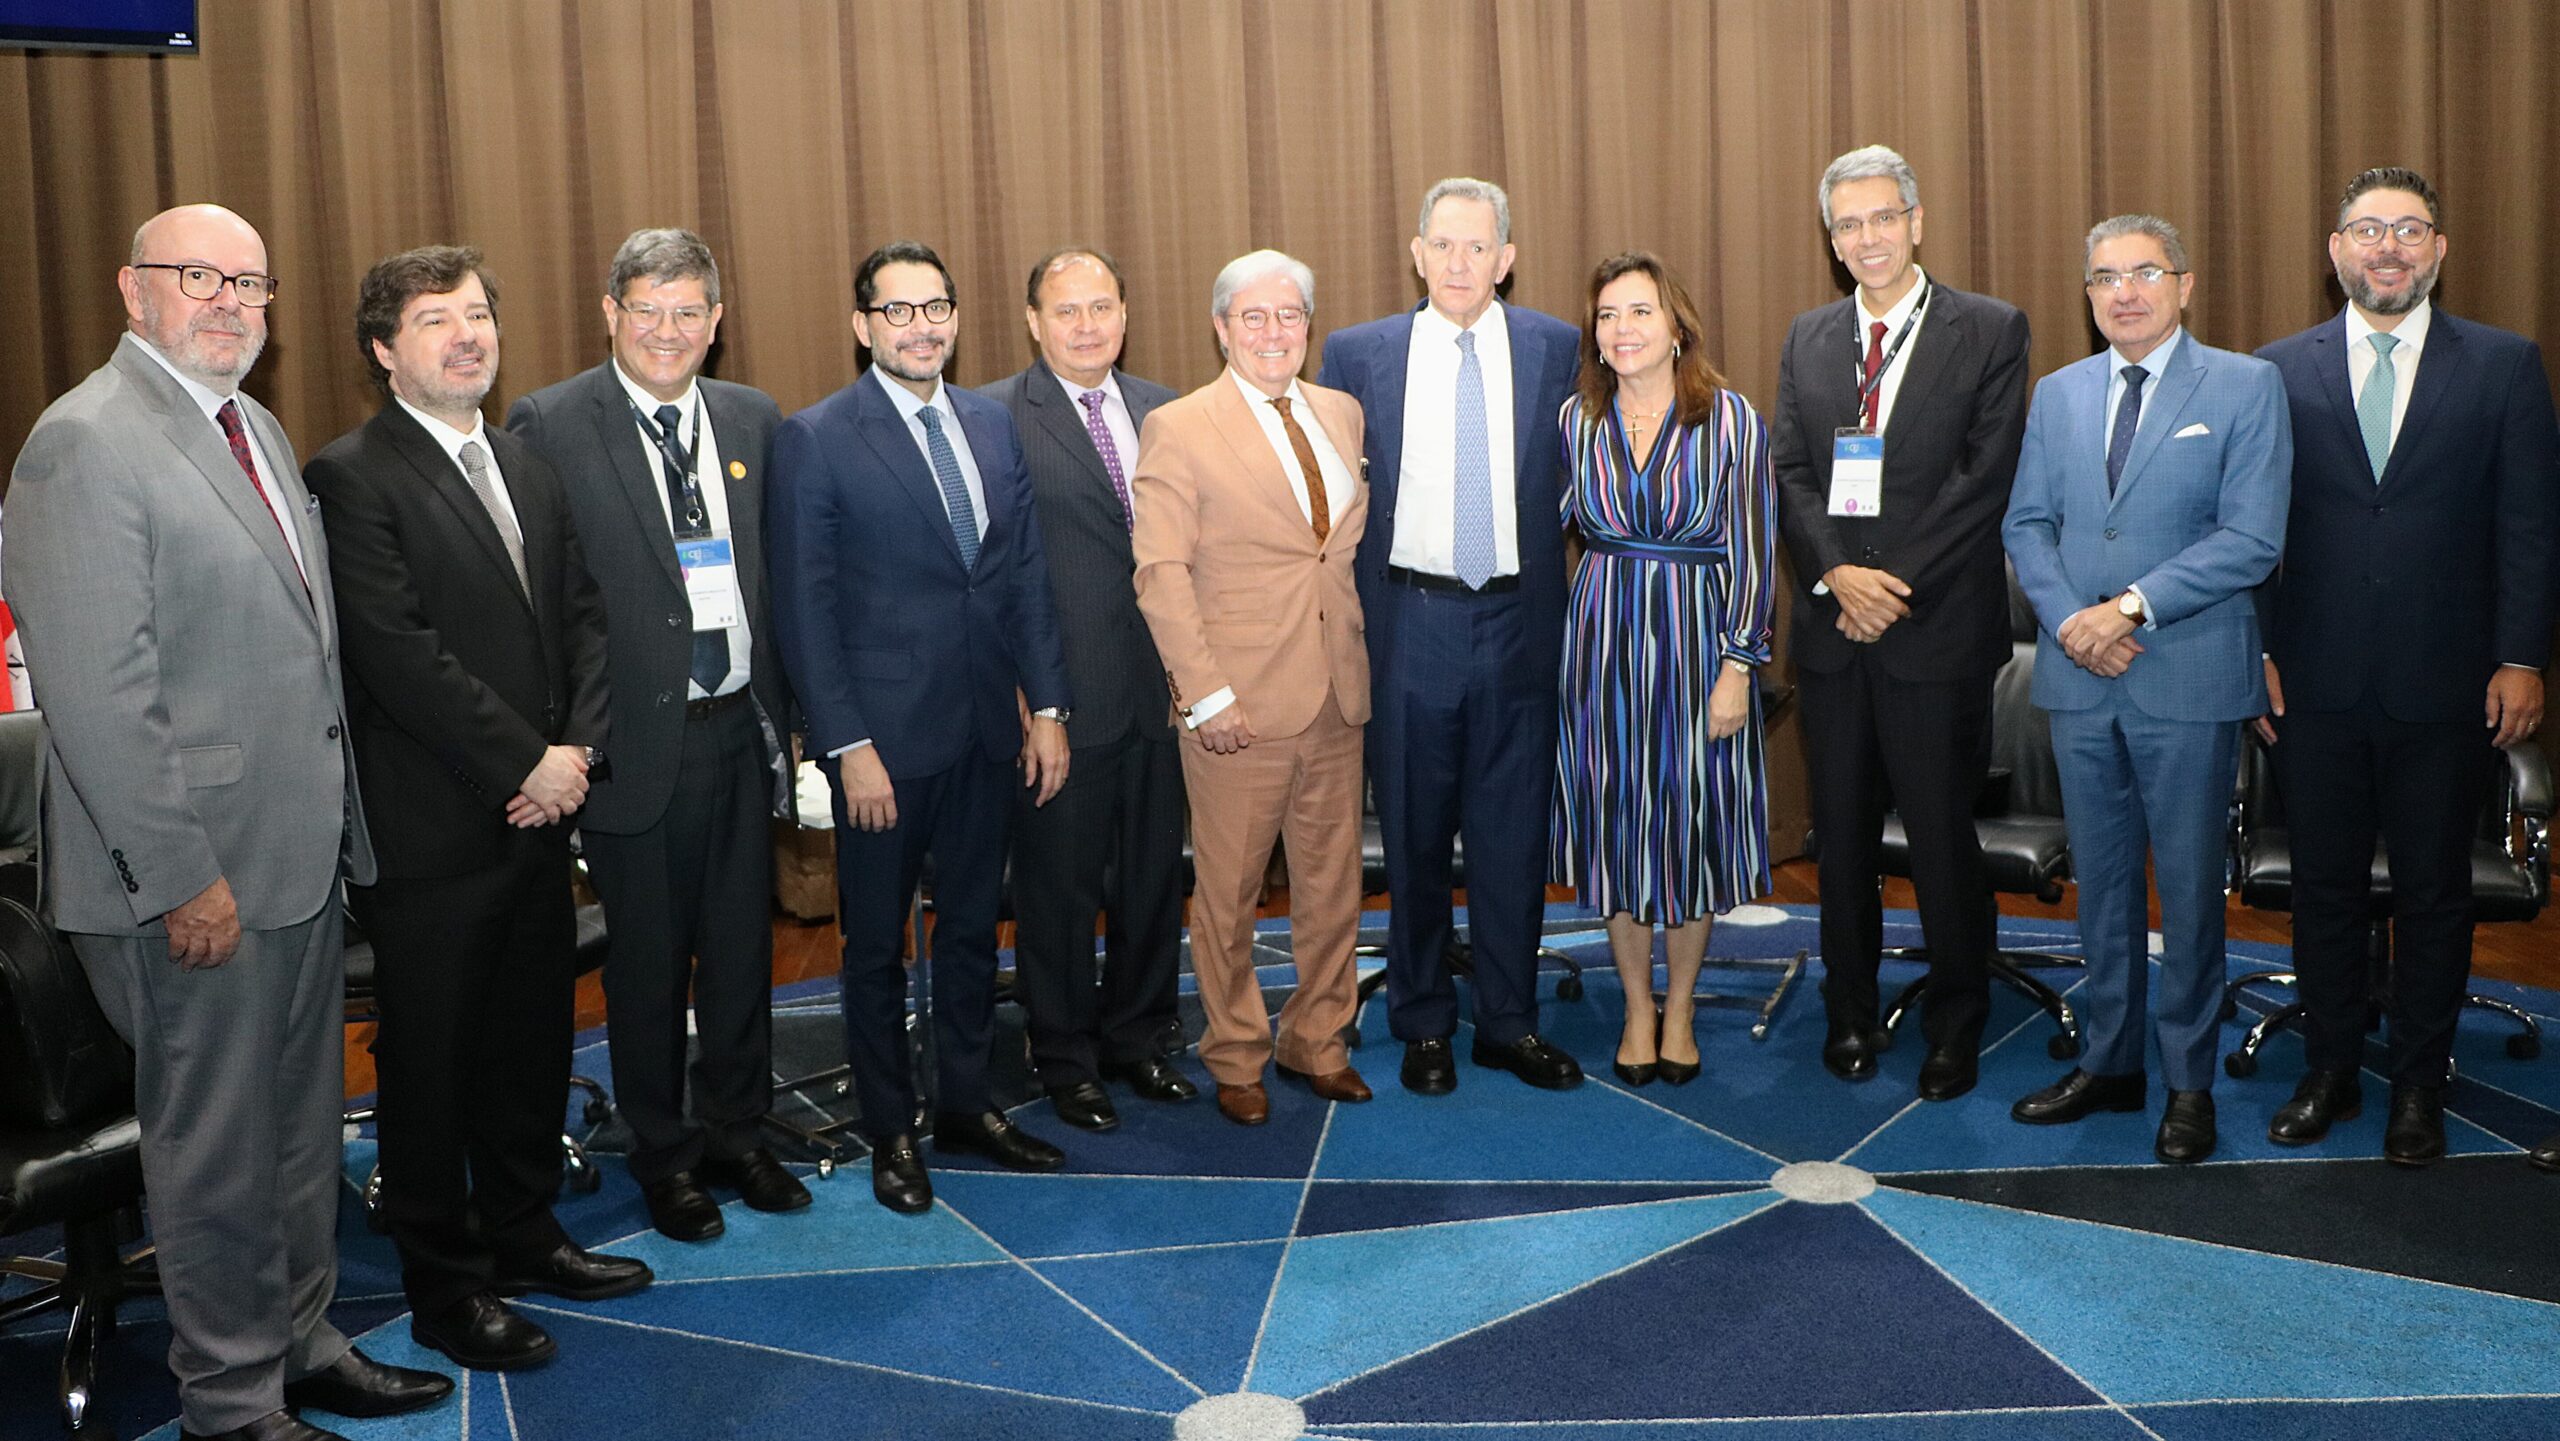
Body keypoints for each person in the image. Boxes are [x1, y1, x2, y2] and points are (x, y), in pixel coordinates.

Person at [4, 204, 449, 1441]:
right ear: (129, 288)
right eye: (196, 275)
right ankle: (230, 1401)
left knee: (301, 1135)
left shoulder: (248, 425)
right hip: (188, 885)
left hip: (295, 863)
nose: (228, 301)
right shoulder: (82, 443)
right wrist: (178, 876)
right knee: (213, 1159)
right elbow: (99, 695)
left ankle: (301, 1342)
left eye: (250, 283)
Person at [307, 245, 648, 1371]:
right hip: (435, 832)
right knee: (433, 1069)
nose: (467, 335)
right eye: (436, 319)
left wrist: (578, 751)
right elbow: (399, 656)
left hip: (540, 819)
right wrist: (527, 762)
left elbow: (587, 617)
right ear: (382, 351)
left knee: (526, 1044)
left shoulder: (525, 463)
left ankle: (526, 1233)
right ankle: (448, 1286)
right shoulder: (351, 476)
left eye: (478, 315)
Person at [506, 228, 812, 1238]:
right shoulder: (550, 424)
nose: (669, 331)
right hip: (630, 746)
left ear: (717, 322)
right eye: (649, 310)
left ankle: (740, 1132)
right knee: (645, 967)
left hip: (740, 730)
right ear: (611, 314)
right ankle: (665, 1152)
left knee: (740, 952)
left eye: (689, 312)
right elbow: (539, 606)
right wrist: (567, 742)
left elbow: (784, 581)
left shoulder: (754, 420)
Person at [2255, 167, 2557, 1166]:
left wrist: (2520, 655)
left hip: (2449, 683)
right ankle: (2330, 1068)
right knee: (2323, 891)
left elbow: (2526, 526)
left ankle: (2419, 1086)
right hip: (2312, 683)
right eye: (2366, 230)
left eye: (2409, 230)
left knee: (2434, 894)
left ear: (2437, 251)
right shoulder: (2273, 370)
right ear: (2334, 250)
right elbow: (2251, 531)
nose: (2387, 247)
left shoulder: (2505, 366)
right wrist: (2253, 649)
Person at [768, 240, 1074, 1213]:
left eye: (933, 307)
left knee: (976, 933)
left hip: (988, 734)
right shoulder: (816, 436)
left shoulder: (989, 423)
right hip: (883, 755)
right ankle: (892, 1131)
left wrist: (1050, 707)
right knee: (875, 952)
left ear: (954, 314)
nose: (919, 327)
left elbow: (1023, 576)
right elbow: (805, 612)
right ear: (863, 326)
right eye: (896, 311)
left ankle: (968, 1105)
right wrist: (846, 747)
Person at [2001, 215, 2291, 1165]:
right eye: (2104, 278)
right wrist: (2076, 623)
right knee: (2104, 891)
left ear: (2185, 282)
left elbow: (2252, 537)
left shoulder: (2247, 385)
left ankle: (2190, 1082)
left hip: (2188, 674)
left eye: (2144, 273)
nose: (2124, 292)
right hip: (2083, 680)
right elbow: (2027, 526)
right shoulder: (2058, 392)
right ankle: (2111, 1061)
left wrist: (2123, 609)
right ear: (2087, 295)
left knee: (2193, 897)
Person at [1770, 145, 2031, 1102]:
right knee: (1838, 839)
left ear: (1916, 221)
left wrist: (1891, 584)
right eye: (1849, 224)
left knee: (1938, 838)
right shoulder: (1807, 336)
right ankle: (1847, 1010)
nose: (1868, 237)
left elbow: (1984, 479)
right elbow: (1791, 469)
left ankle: (1956, 1019)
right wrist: (1838, 574)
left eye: (1884, 217)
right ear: (1832, 240)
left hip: (1936, 635)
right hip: (1836, 635)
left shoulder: (1992, 330)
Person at [1315, 178, 1583, 1095]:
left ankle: (1508, 1020)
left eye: (1479, 247)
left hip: (1519, 619)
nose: (1460, 263)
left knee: (1514, 835)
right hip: (1410, 620)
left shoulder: (1558, 346)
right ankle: (1423, 1018)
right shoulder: (1356, 355)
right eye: (1444, 245)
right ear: (1417, 253)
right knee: (1417, 834)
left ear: (1506, 259)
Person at [1131, 250, 1372, 1126]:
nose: (1275, 332)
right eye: (1254, 317)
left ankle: (1317, 1039)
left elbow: (1328, 556)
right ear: (1222, 327)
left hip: (1337, 694)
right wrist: (1204, 694)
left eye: (1290, 316)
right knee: (1229, 896)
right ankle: (1235, 1052)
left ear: (1309, 325)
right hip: (1235, 704)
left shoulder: (1342, 413)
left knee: (1331, 886)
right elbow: (1159, 571)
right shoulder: (1181, 426)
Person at [978, 248, 1196, 1132]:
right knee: (1060, 890)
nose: (1086, 325)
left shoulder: (1166, 409)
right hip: (1061, 701)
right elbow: (993, 576)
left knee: (1151, 878)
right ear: (1033, 321)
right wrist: (1032, 702)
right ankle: (1064, 1054)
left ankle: (1138, 1036)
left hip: (1163, 694)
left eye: (1101, 306)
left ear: (1124, 311)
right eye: (1065, 311)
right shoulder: (995, 416)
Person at [1552, 252, 1776, 1088]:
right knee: (1617, 831)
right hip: (1601, 646)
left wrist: (1738, 666)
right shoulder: (1576, 420)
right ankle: (1635, 1007)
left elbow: (1755, 553)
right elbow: (1551, 530)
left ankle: (1679, 1005)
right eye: (1608, 316)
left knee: (1690, 833)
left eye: (1640, 312)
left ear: (1677, 325)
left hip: (1697, 645)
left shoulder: (1731, 419)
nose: (1624, 330)